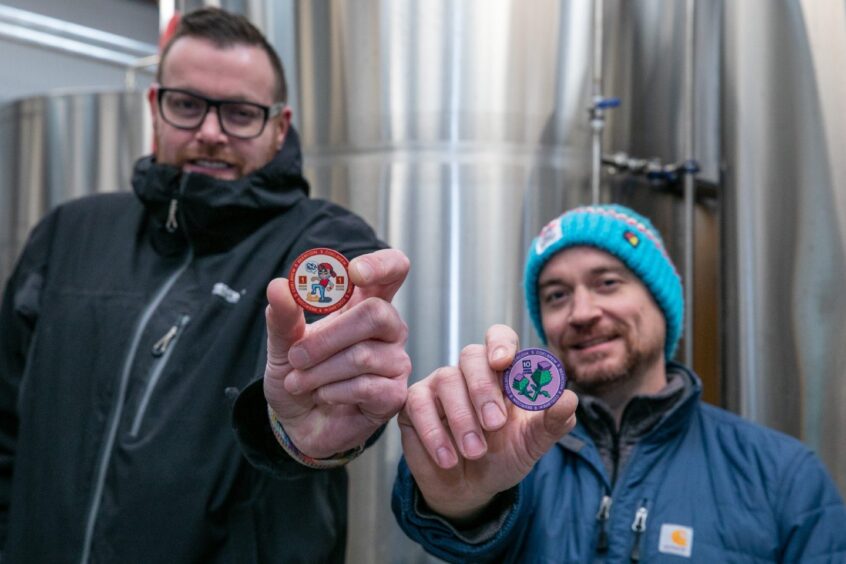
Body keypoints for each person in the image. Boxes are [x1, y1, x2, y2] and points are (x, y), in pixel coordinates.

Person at [0, 7, 411, 563]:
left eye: (240, 113)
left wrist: (315, 405)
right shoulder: (69, 233)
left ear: (279, 125)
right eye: (187, 106)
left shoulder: (319, 240)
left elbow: (341, 340)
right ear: (155, 107)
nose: (211, 132)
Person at [393, 204, 846, 562]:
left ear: (663, 303)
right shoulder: (513, 461)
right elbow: (464, 535)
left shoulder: (784, 475)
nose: (582, 312)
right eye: (556, 295)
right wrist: (462, 503)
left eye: (607, 283)